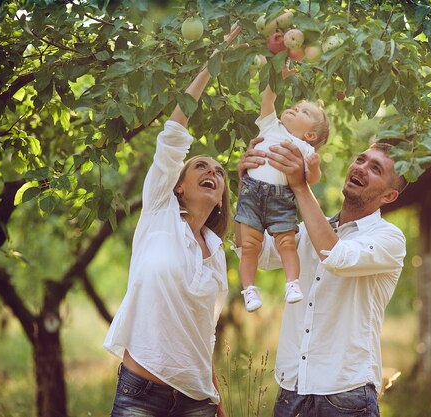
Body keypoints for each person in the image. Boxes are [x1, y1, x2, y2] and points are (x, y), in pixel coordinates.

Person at [103, 22, 241, 417]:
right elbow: (174, 131)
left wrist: (215, 397)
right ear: (178, 185)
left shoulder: (216, 254)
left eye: (219, 172)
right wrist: (218, 56)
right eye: (201, 165)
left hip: (197, 399)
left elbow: (204, 332)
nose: (212, 170)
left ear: (219, 202)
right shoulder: (160, 214)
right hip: (140, 393)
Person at [236, 138, 408, 417]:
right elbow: (257, 253)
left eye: (376, 169)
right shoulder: (309, 230)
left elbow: (335, 256)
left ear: (389, 196)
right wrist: (249, 187)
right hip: (292, 385)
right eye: (361, 159)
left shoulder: (389, 238)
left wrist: (300, 185)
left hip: (346, 391)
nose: (361, 168)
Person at [235, 61, 329, 312]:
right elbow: (268, 100)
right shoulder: (270, 126)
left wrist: (315, 166)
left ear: (310, 136)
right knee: (249, 246)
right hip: (251, 193)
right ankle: (249, 291)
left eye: (304, 113)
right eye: (295, 107)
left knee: (287, 242)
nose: (294, 109)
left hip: (280, 198)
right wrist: (277, 78)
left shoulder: (304, 149)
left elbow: (311, 179)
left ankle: (292, 283)